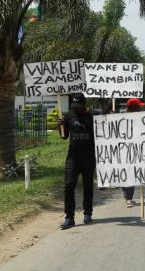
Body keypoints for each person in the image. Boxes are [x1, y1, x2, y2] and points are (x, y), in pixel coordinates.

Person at [58, 93, 95, 230]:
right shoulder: (69, 115)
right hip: (73, 156)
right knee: (68, 186)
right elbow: (64, 136)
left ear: (84, 104)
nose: (76, 109)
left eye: (78, 106)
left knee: (88, 185)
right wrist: (61, 126)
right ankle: (69, 217)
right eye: (74, 106)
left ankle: (87, 213)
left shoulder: (93, 116)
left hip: (89, 156)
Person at [122, 98, 145, 207]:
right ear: (132, 108)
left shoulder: (138, 118)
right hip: (123, 150)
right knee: (128, 174)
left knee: (132, 173)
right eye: (138, 106)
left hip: (135, 149)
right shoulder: (120, 118)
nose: (140, 108)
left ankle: (128, 197)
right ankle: (128, 198)